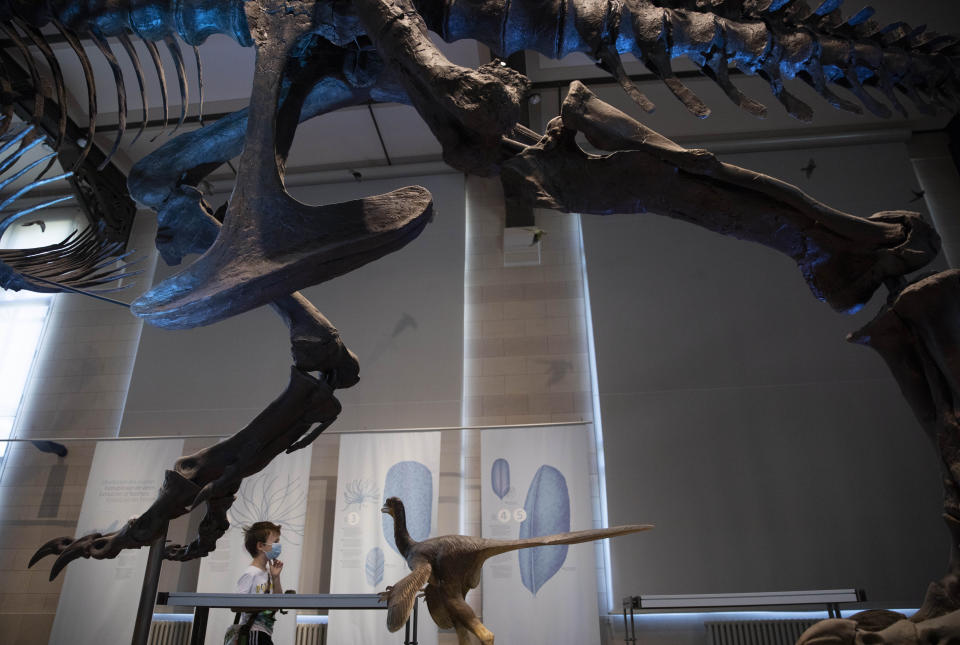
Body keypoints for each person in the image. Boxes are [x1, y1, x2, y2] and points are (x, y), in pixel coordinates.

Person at [226, 521, 285, 645]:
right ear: (260, 546)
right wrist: (264, 605)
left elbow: (277, 603)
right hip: (253, 631)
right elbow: (236, 605)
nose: (278, 545)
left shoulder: (269, 572)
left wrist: (276, 578)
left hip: (265, 633)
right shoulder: (250, 573)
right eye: (275, 542)